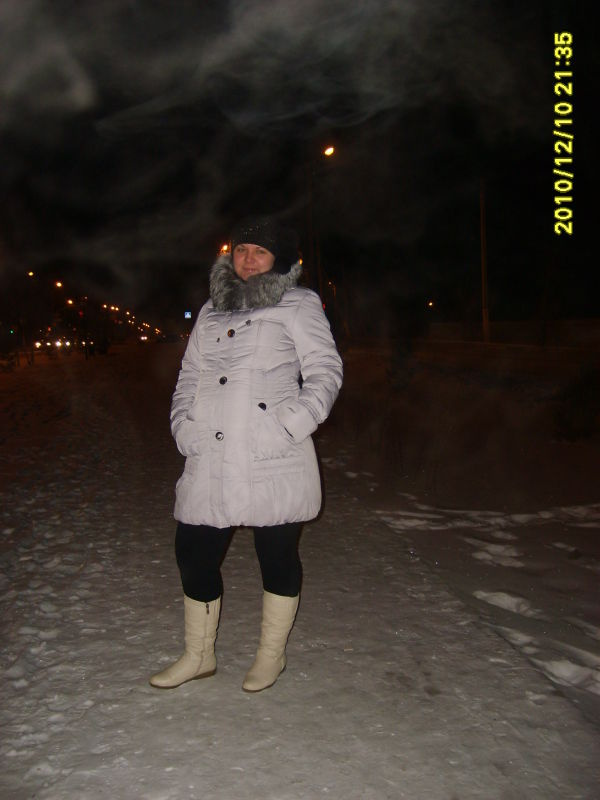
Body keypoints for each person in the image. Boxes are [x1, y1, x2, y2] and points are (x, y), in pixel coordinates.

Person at [150, 215, 343, 693]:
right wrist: (183, 425)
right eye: (241, 250)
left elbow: (325, 371)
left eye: (260, 251)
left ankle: (271, 656)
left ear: (279, 259)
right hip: (211, 454)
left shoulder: (298, 304)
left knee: (276, 556)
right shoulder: (211, 311)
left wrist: (289, 425)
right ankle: (199, 655)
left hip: (271, 454)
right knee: (192, 553)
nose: (249, 259)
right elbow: (189, 375)